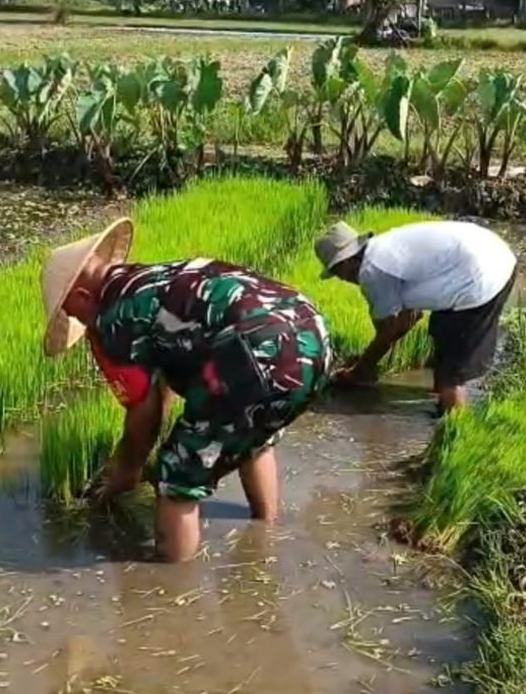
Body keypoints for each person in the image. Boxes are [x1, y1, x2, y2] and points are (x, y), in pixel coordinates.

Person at [41, 218, 333, 562]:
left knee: (177, 474)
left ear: (82, 296)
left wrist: (127, 472)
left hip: (252, 357)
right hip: (314, 336)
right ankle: (264, 533)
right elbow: (159, 388)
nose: (75, 319)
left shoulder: (113, 319)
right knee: (250, 435)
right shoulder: (150, 279)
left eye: (69, 310)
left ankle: (172, 590)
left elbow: (143, 412)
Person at [314, 219, 516, 414]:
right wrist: (367, 362)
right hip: (494, 255)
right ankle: (440, 402)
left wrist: (360, 370)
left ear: (345, 263)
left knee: (452, 373)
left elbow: (390, 328)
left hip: (478, 276)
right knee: (441, 333)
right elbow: (409, 318)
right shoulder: (383, 252)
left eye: (338, 273)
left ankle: (454, 429)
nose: (343, 280)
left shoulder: (371, 270)